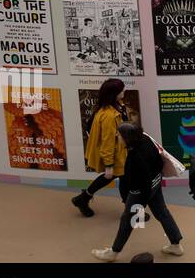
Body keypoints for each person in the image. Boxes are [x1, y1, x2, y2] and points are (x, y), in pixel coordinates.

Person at [91, 124, 184, 261]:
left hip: (140, 192)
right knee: (162, 212)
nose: (117, 136)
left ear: (127, 137)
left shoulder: (135, 157)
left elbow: (139, 181)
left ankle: (114, 252)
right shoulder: (145, 139)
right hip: (156, 183)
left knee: (127, 221)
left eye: (119, 134)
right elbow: (159, 160)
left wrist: (140, 201)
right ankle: (176, 244)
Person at [71, 78, 131, 217]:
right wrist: (109, 164)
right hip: (116, 154)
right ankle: (130, 211)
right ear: (114, 93)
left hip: (121, 152)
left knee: (119, 177)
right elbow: (107, 142)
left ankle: (83, 198)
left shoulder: (116, 106)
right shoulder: (109, 116)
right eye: (121, 89)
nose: (124, 91)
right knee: (122, 178)